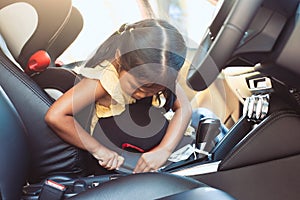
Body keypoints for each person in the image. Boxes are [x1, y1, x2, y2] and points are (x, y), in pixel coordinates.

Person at [45, 19, 192, 174]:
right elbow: (55, 116)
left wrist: (164, 150)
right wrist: (98, 149)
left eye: (154, 90)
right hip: (114, 158)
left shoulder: (161, 73)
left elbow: (184, 107)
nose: (143, 94)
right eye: (138, 86)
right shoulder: (103, 80)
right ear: (120, 57)